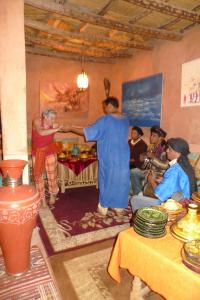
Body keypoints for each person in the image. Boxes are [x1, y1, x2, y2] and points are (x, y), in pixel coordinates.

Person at [66, 96, 130, 215]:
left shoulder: (105, 120)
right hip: (123, 155)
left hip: (109, 155)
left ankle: (104, 208)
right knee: (121, 180)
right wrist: (95, 125)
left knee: (106, 179)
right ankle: (119, 207)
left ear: (110, 106)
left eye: (105, 107)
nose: (104, 109)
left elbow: (89, 132)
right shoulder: (125, 119)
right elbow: (109, 131)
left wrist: (71, 128)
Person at [130, 137, 197, 211]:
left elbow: (160, 195)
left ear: (178, 152)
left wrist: (152, 182)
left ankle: (149, 220)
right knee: (140, 194)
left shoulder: (175, 170)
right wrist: (163, 180)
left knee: (134, 199)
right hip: (183, 200)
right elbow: (177, 185)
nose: (167, 150)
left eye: (170, 149)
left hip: (176, 206)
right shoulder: (185, 165)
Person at [32, 109, 63, 207]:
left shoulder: (53, 125)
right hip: (37, 152)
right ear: (45, 117)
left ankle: (53, 195)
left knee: (52, 175)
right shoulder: (37, 121)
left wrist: (65, 127)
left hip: (50, 151)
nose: (53, 121)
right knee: (38, 176)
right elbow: (41, 132)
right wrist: (57, 129)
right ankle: (42, 199)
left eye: (54, 118)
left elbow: (63, 127)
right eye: (51, 118)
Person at [131, 125, 167, 195]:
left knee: (135, 172)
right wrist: (143, 159)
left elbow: (165, 166)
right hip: (149, 171)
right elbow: (147, 162)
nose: (151, 137)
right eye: (151, 135)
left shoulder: (164, 149)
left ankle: (141, 196)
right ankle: (138, 195)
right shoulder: (151, 146)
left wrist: (153, 157)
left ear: (160, 138)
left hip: (158, 174)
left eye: (154, 136)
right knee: (133, 172)